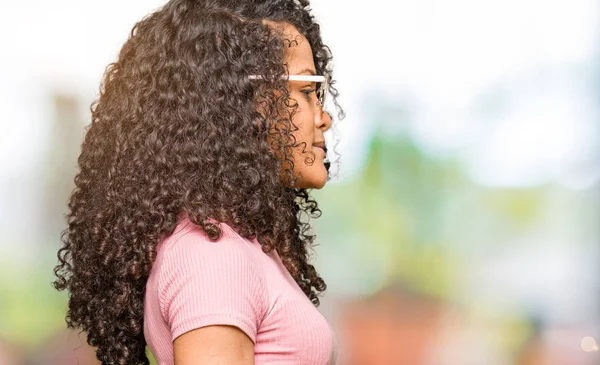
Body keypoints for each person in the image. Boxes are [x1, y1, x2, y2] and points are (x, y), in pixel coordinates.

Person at [52, 0, 344, 364]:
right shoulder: (212, 255)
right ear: (243, 101)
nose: (324, 117)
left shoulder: (235, 245)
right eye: (305, 91)